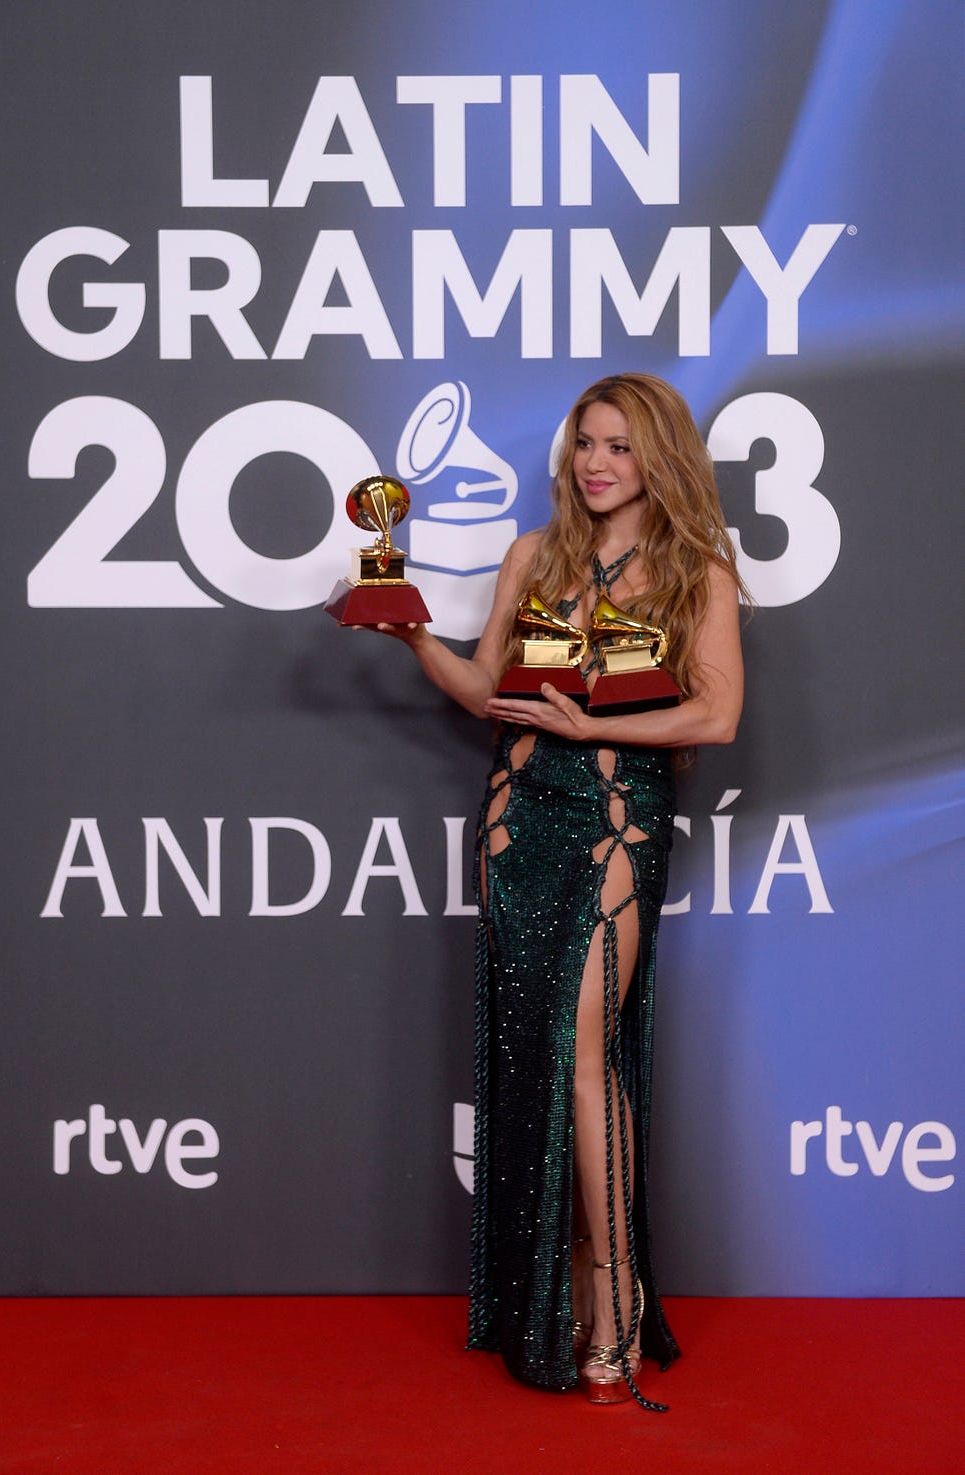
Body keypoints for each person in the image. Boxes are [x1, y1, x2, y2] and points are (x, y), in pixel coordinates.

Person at [359, 373, 746, 1408]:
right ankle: (566, 1286)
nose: (594, 461)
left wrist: (594, 727)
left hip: (614, 825)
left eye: (617, 444)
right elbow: (491, 691)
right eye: (584, 441)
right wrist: (410, 637)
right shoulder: (535, 555)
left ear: (655, 456)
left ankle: (614, 1301)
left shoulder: (694, 570)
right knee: (547, 1056)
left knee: (585, 1055)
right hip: (514, 822)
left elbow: (713, 718)